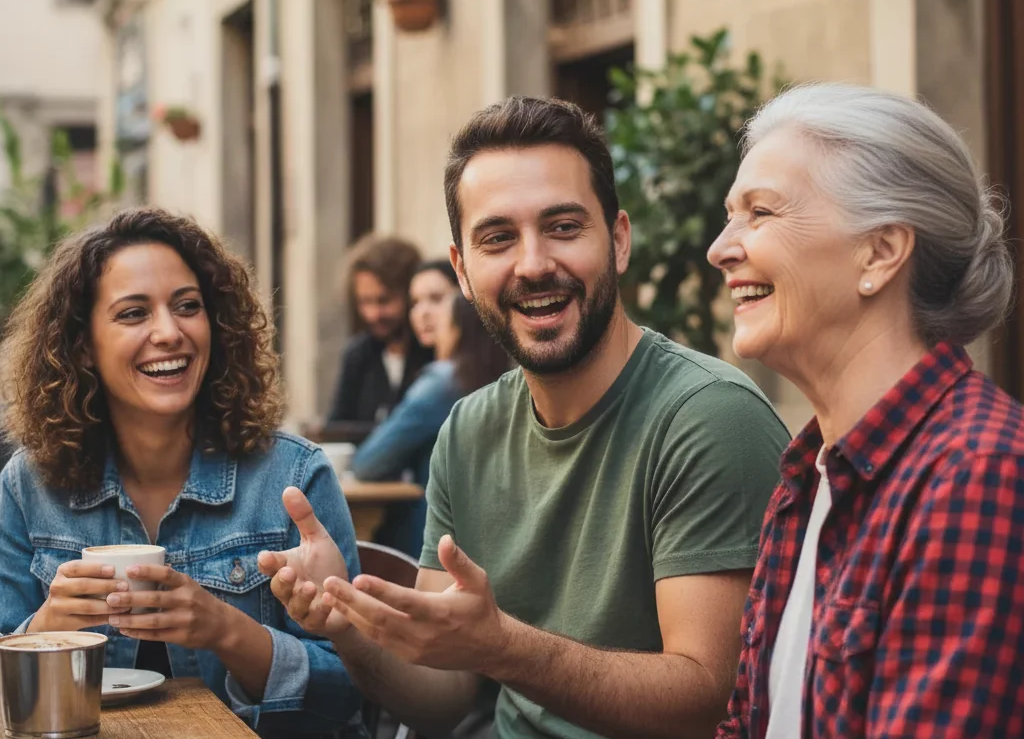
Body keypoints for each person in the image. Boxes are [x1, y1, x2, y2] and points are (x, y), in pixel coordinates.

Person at [260, 96, 791, 739]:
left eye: (564, 227)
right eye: (498, 239)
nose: (534, 263)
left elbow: (712, 699)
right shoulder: (468, 428)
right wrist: (342, 623)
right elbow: (445, 696)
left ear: (618, 241)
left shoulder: (709, 417)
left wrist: (502, 647)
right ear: (461, 270)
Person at [705, 83, 1024, 738]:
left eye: (760, 213)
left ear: (880, 253)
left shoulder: (977, 474)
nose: (721, 247)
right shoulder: (809, 469)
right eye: (730, 214)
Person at [0, 208, 367, 737]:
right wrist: (46, 631)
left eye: (187, 307)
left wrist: (225, 630)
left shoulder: (293, 476)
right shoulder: (29, 485)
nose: (169, 332)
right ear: (82, 344)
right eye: (133, 314)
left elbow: (352, 692)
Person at [352, 288, 510, 557]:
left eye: (442, 323)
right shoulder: (510, 383)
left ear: (459, 330)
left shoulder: (441, 384)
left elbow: (368, 463)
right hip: (494, 545)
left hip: (434, 545)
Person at [327, 235, 431, 430]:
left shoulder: (433, 352)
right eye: (364, 302)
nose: (373, 314)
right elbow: (336, 428)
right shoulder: (358, 354)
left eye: (384, 300)